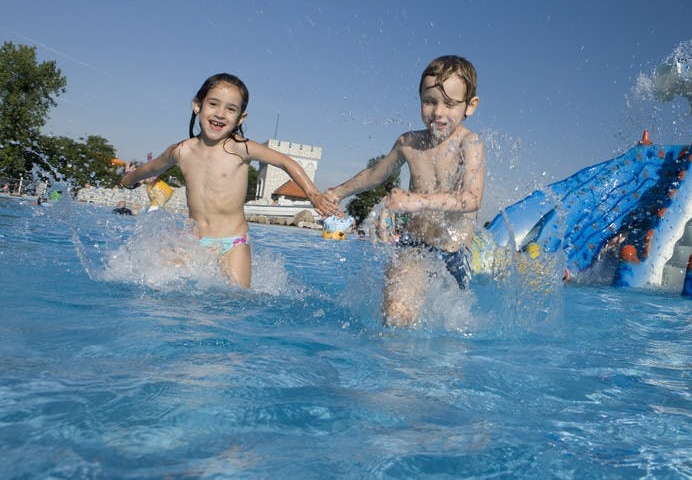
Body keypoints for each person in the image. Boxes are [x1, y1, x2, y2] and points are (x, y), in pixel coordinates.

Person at [120, 72, 334, 288]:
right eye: (213, 104)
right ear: (197, 105)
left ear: (240, 118)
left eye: (231, 109)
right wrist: (128, 180)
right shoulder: (181, 151)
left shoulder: (240, 148)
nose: (220, 114)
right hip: (193, 242)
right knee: (158, 285)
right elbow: (151, 168)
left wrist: (313, 194)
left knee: (237, 298)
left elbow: (286, 162)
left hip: (233, 243)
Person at [324, 55, 484, 327]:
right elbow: (375, 175)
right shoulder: (409, 143)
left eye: (450, 104)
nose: (438, 112)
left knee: (450, 332)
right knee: (396, 315)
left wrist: (415, 201)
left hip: (455, 253)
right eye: (429, 101)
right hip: (415, 246)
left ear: (470, 105)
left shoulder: (470, 144)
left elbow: (471, 198)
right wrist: (337, 193)